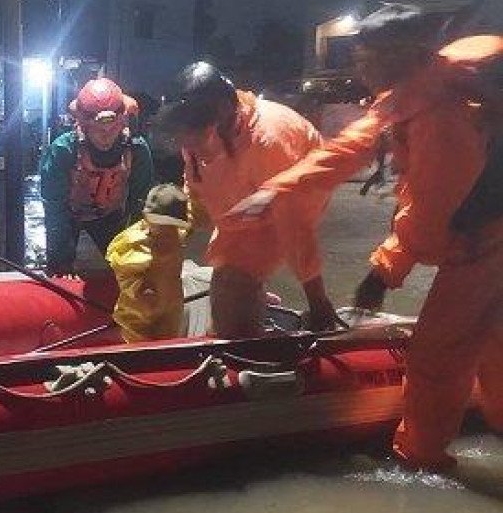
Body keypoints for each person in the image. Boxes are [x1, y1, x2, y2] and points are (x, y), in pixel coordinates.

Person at [225, 4, 503, 471]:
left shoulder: (443, 118)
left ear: (402, 55)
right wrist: (274, 190)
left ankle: (421, 462)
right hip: (483, 237)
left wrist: (383, 270)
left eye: (367, 57)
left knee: (437, 356)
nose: (360, 67)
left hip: (487, 245)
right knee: (494, 343)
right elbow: (345, 150)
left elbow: (435, 214)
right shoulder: (415, 95)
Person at [155, 62, 337, 338]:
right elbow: (196, 181)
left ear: (224, 117)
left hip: (295, 194)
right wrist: (175, 227)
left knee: (231, 281)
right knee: (228, 279)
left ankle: (250, 324)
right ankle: (253, 301)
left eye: (195, 136)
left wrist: (317, 298)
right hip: (245, 196)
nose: (188, 144)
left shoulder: (267, 141)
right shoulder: (197, 134)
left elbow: (294, 222)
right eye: (182, 137)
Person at [39, 77, 155, 274]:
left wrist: (136, 246)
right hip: (68, 214)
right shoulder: (63, 150)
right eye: (98, 129)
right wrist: (62, 259)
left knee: (130, 268)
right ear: (83, 126)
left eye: (113, 129)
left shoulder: (137, 149)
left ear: (123, 122)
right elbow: (55, 206)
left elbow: (141, 201)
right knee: (60, 271)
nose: (106, 136)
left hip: (109, 215)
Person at [106, 183, 190, 343]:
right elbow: (143, 300)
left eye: (173, 226)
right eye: (162, 225)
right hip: (143, 330)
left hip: (172, 319)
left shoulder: (177, 234)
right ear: (148, 219)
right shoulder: (130, 249)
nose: (169, 230)